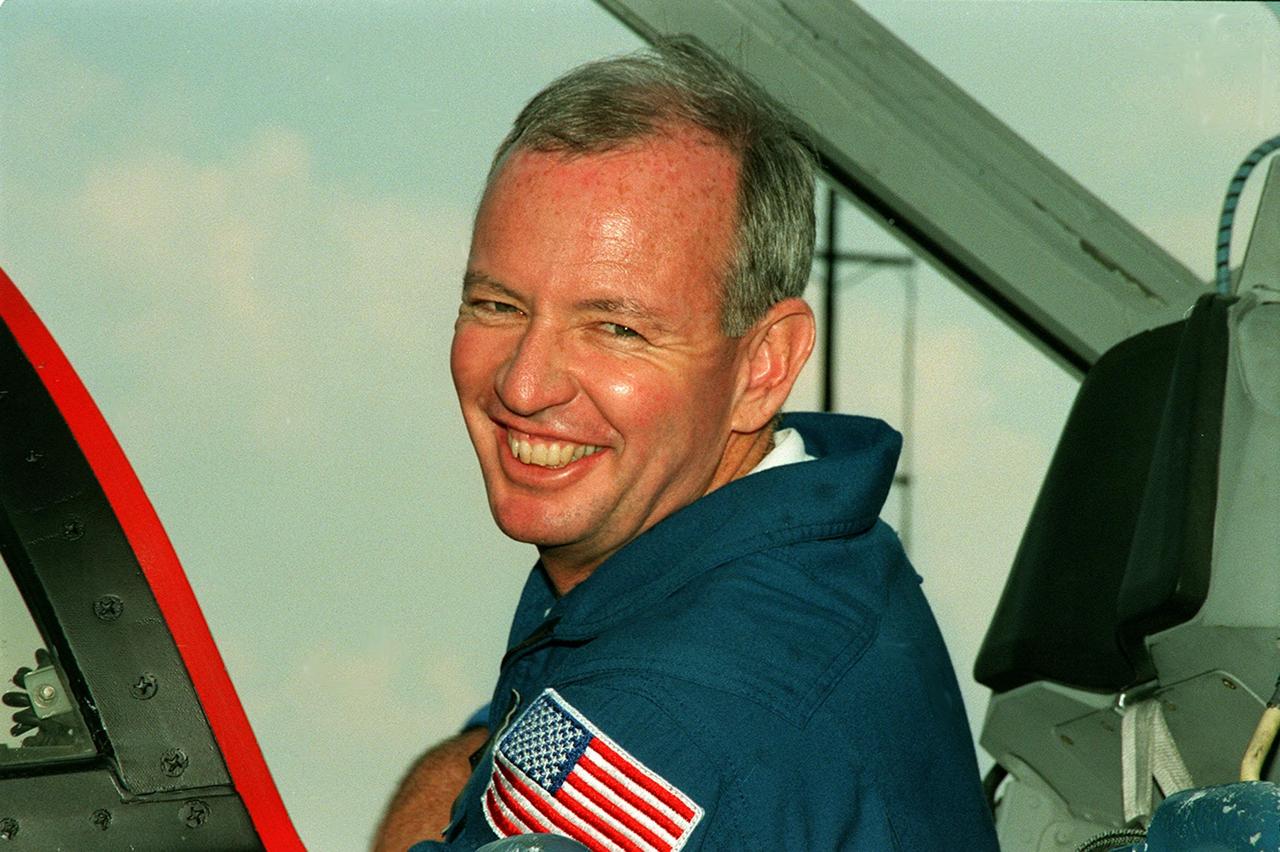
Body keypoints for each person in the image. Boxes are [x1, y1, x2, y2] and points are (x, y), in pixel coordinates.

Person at [375, 36, 997, 851]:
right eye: (497, 306)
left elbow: (654, 747)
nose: (525, 386)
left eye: (617, 328)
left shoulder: (666, 734)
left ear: (763, 365)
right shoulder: (797, 557)